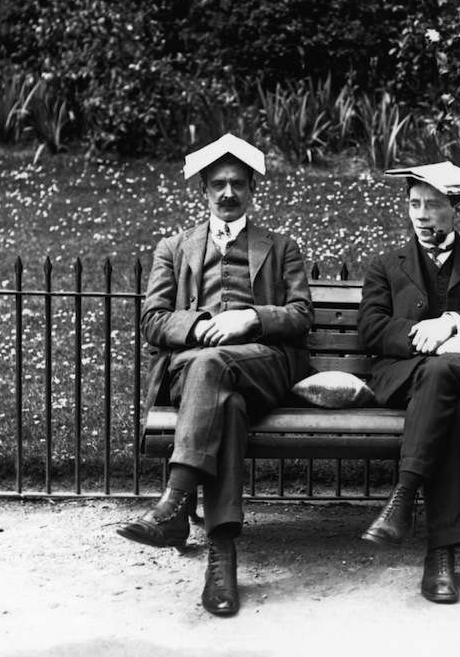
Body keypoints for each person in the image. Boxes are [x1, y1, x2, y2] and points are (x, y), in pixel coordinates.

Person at [117, 133, 314, 616]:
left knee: (215, 369)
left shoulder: (281, 247)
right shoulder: (174, 248)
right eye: (218, 185)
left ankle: (176, 501)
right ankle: (221, 556)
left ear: (252, 190)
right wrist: (201, 323)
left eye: (238, 185)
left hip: (264, 363)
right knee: (223, 400)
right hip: (195, 370)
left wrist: (252, 319)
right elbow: (152, 320)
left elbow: (301, 314)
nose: (228, 194)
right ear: (203, 189)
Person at [357, 161, 460, 604]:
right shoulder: (386, 265)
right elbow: (371, 328)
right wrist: (421, 337)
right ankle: (440, 554)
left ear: (457, 206)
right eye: (414, 204)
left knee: (445, 375)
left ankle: (404, 497)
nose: (422, 215)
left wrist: (451, 324)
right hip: (410, 376)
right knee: (449, 401)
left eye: (433, 205)